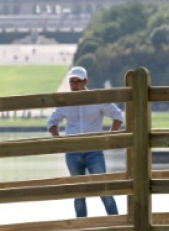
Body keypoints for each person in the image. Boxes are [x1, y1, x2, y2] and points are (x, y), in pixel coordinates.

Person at [47, 66, 124, 218]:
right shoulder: (66, 101)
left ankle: (118, 227)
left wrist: (109, 137)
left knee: (104, 190)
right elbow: (52, 122)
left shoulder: (96, 99)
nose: (74, 85)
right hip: (72, 152)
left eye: (78, 81)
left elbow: (118, 116)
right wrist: (58, 139)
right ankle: (82, 230)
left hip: (94, 151)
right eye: (72, 81)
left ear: (85, 81)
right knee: (78, 193)